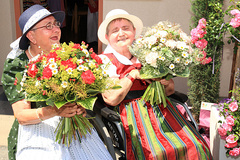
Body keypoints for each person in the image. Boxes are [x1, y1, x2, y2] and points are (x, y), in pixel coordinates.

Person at [98, 9, 212, 160]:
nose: (121, 33)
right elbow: (111, 99)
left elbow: (170, 90)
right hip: (131, 115)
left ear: (134, 32)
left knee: (197, 146)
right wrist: (133, 74)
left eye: (126, 28)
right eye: (115, 30)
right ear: (107, 37)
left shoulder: (148, 55)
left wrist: (164, 81)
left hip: (162, 110)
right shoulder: (104, 61)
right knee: (159, 153)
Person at [1, 5, 112, 160]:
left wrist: (79, 107)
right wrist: (56, 111)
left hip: (71, 126)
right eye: (48, 26)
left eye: (56, 24)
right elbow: (21, 116)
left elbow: (78, 94)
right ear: (31, 37)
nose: (56, 29)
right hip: (36, 128)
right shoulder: (18, 64)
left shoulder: (67, 55)